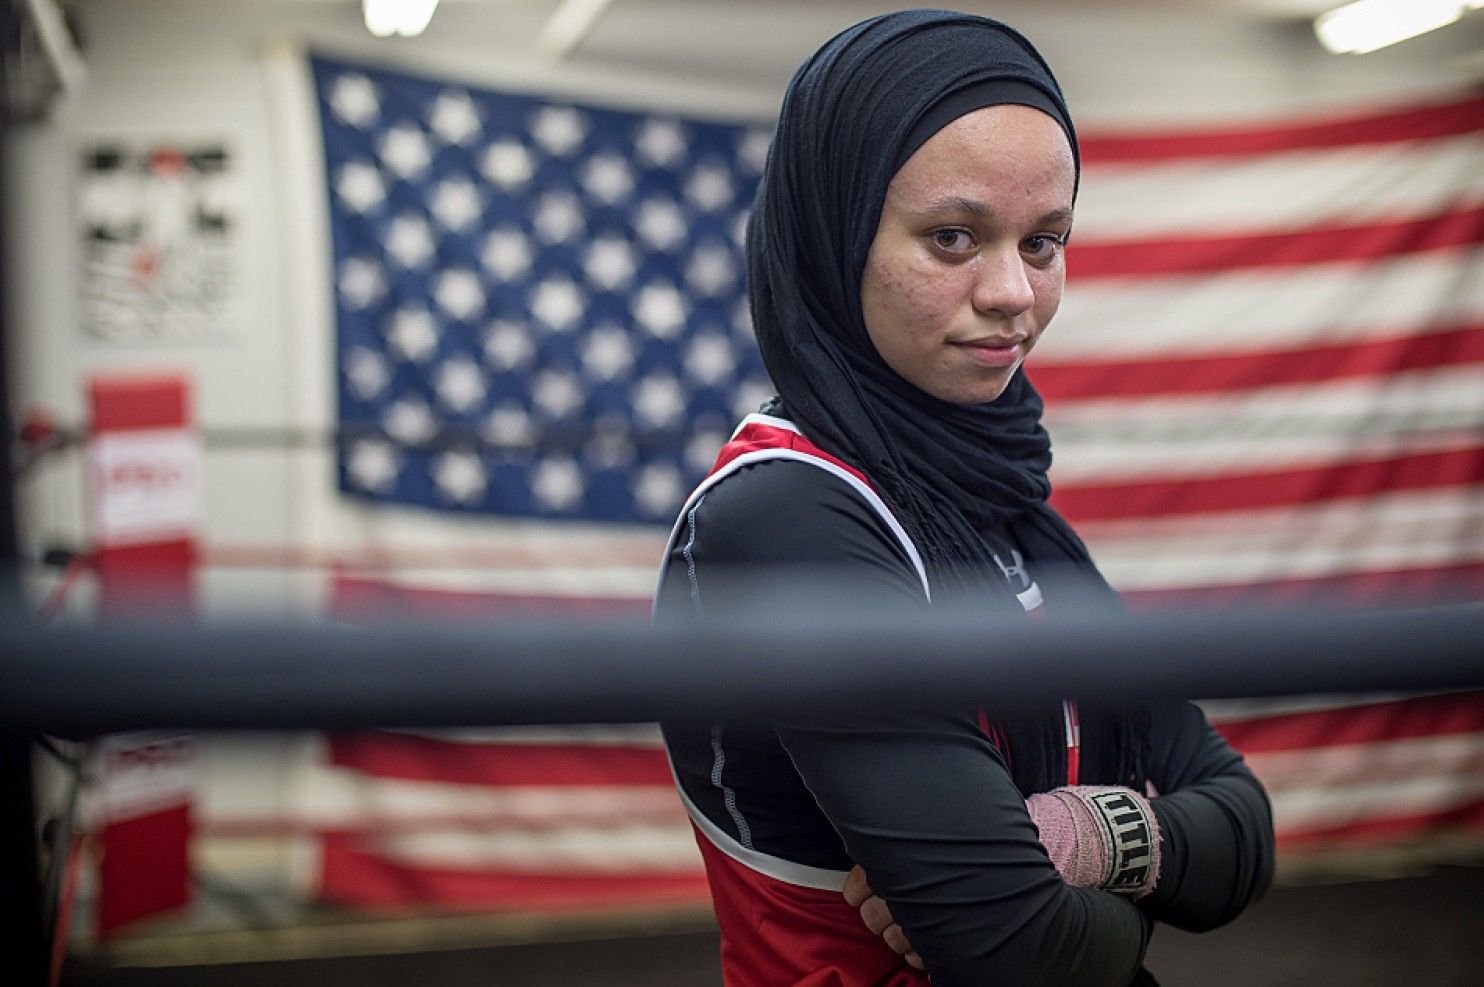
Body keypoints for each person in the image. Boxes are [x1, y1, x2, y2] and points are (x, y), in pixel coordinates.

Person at [654, 9, 1274, 985]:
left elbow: (1245, 831)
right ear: (834, 230)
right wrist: (1140, 875)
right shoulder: (783, 516)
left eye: (1043, 241)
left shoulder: (1000, 492)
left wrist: (1080, 840)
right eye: (951, 237)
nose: (1012, 293)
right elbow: (1019, 950)